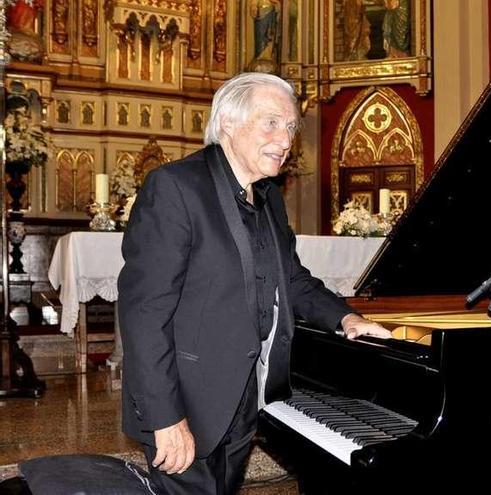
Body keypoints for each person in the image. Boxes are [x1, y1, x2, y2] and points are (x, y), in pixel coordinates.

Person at [118, 72, 391, 495]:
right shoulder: (175, 187)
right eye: (271, 123)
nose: (285, 140)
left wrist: (345, 318)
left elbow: (292, 278)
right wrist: (164, 418)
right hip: (185, 402)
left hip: (245, 397)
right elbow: (143, 314)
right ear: (228, 121)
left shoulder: (267, 197)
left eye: (290, 127)